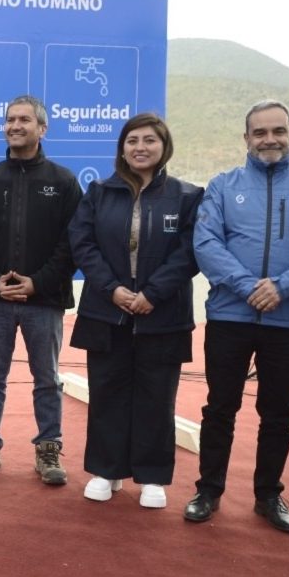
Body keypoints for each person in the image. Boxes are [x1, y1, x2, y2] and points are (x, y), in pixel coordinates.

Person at [184, 100, 289, 533]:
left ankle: (268, 495)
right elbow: (206, 244)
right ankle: (208, 490)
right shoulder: (223, 186)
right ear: (246, 138)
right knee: (219, 408)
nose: (269, 139)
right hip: (230, 317)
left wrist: (283, 285)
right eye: (260, 132)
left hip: (287, 322)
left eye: (278, 131)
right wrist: (249, 285)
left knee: (278, 414)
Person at [69, 113, 203, 509]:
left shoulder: (187, 195)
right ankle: (105, 471)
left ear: (164, 147)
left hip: (162, 314)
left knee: (156, 395)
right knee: (107, 391)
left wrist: (152, 293)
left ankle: (152, 476)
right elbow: (83, 244)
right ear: (122, 148)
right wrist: (113, 290)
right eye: (132, 141)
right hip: (106, 311)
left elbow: (190, 252)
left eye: (149, 140)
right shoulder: (98, 192)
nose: (140, 147)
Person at [0, 95, 82, 484]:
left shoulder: (63, 182)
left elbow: (73, 242)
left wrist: (37, 282)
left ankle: (48, 450)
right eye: (10, 119)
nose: (15, 126)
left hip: (43, 301)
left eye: (24, 120)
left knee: (48, 378)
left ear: (42, 129)